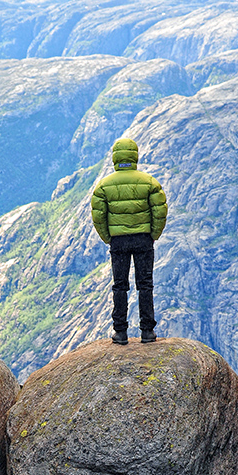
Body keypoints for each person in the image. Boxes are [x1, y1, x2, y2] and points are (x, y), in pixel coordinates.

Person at [90, 137, 167, 345]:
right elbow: (160, 211)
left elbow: (98, 216)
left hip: (118, 242)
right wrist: (153, 234)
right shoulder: (149, 182)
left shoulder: (103, 186)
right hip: (143, 239)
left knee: (120, 286)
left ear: (115, 157)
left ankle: (121, 332)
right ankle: (147, 332)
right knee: (145, 285)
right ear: (135, 156)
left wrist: (109, 237)